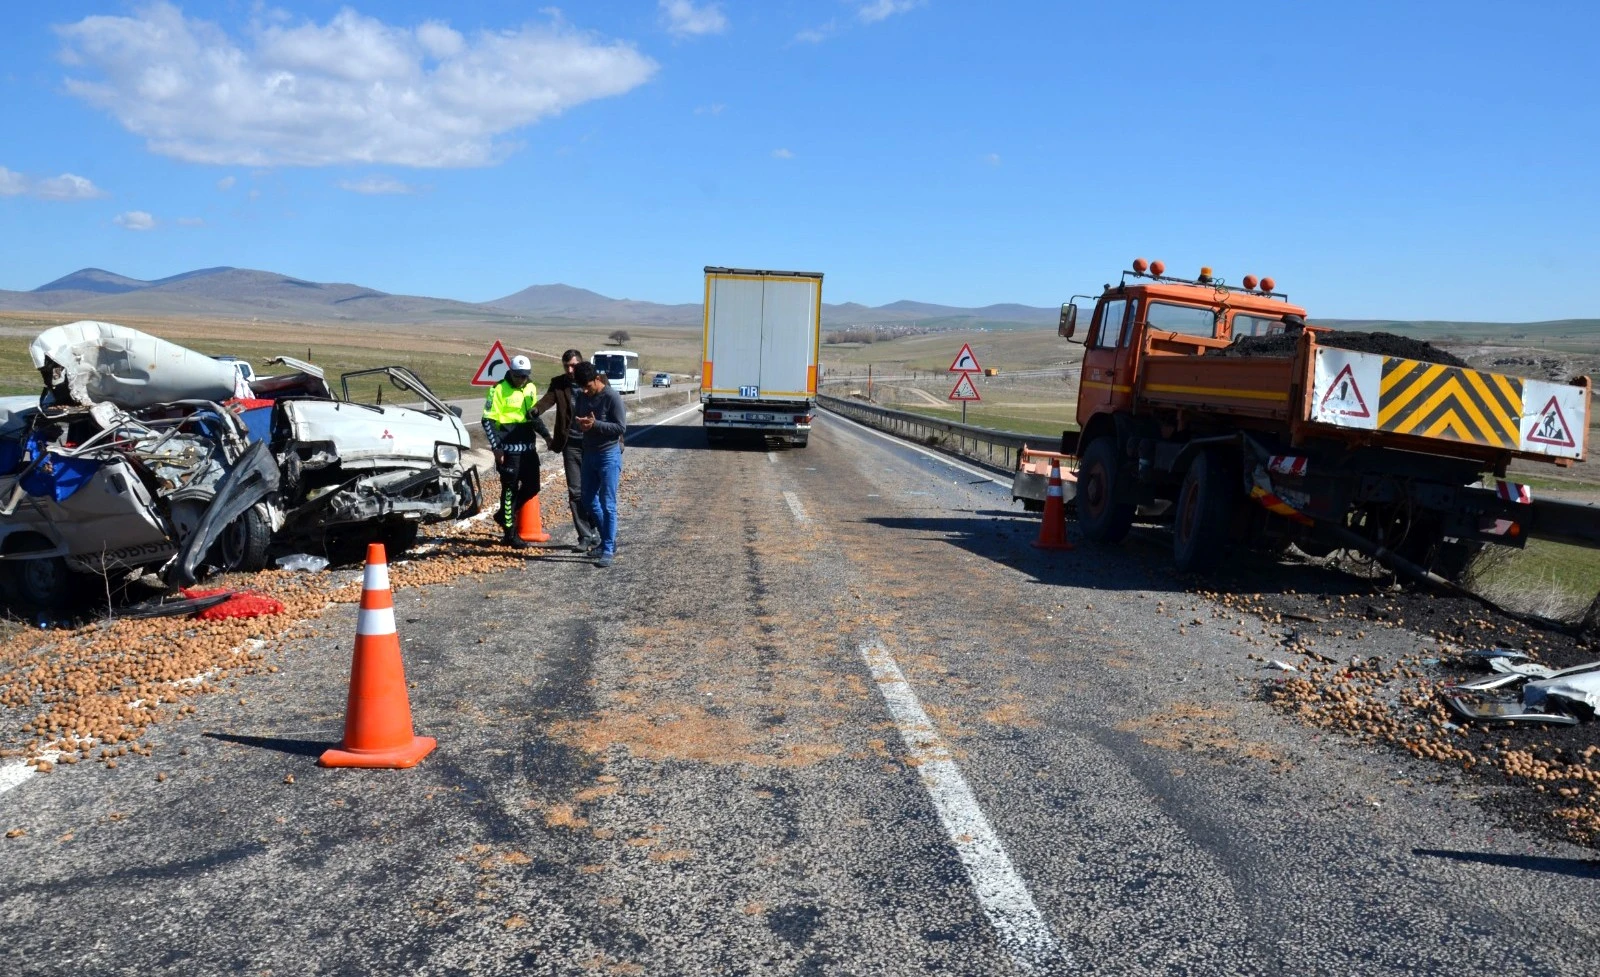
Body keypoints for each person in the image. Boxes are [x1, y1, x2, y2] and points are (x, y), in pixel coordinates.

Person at [531, 349, 599, 553]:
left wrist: (618, 440)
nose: (570, 370)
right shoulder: (559, 383)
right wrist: (536, 410)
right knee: (575, 491)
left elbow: (609, 410)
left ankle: (598, 530)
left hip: (594, 443)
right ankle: (585, 535)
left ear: (581, 363)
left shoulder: (596, 380)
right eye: (566, 366)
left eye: (573, 365)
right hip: (571, 445)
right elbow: (547, 400)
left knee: (595, 490)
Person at [481, 354, 551, 549]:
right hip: (508, 451)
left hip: (528, 448)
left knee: (533, 486)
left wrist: (546, 436)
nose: (522, 379)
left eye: (525, 376)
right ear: (511, 372)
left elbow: (533, 416)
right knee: (509, 490)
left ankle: (504, 515)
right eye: (518, 376)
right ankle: (510, 534)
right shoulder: (497, 389)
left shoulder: (530, 387)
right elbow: (487, 420)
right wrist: (496, 447)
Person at [571, 361, 627, 568]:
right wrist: (582, 425)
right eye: (582, 387)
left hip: (608, 454)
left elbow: (621, 427)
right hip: (589, 453)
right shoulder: (582, 396)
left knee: (608, 503)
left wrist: (596, 424)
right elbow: (581, 420)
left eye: (588, 386)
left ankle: (608, 549)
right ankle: (607, 540)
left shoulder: (611, 397)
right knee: (587, 498)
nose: (585, 390)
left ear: (597, 379)